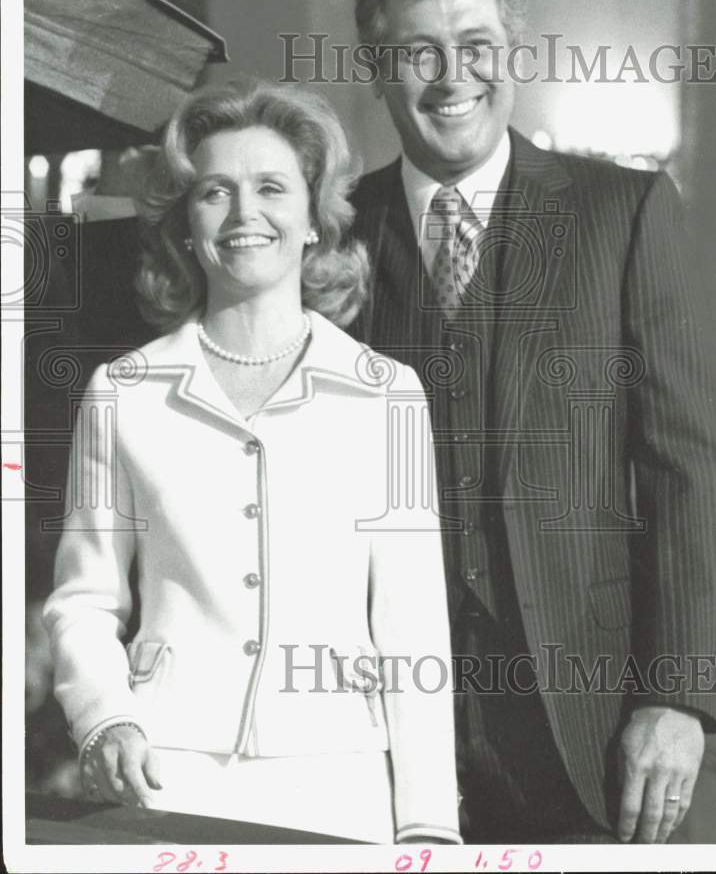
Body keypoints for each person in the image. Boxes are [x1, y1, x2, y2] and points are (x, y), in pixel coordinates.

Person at [350, 0, 716, 845]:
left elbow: (689, 468)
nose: (452, 77)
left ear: (512, 57)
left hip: (587, 727)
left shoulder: (621, 213)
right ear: (376, 68)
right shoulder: (332, 231)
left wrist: (675, 699)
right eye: (419, 52)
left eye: (476, 47)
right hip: (373, 734)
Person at [43, 78, 462, 846]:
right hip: (167, 776)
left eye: (271, 187)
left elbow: (412, 630)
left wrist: (428, 823)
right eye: (214, 192)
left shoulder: (386, 396)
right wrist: (105, 718)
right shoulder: (123, 392)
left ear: (312, 220)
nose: (244, 214)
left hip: (339, 784)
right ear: (186, 224)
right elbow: (84, 601)